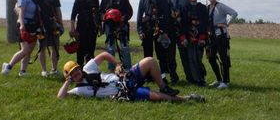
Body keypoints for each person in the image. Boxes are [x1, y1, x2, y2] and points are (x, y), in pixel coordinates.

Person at [57, 51, 205, 103]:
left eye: (76, 70)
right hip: (125, 92)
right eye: (73, 74)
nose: (76, 73)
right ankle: (187, 98)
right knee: (157, 97)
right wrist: (68, 82)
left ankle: (164, 86)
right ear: (70, 77)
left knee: (149, 61)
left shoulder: (88, 68)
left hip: (125, 77)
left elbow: (103, 55)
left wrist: (116, 64)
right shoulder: (79, 90)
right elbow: (61, 97)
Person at [1, 0, 40, 76]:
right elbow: (21, 13)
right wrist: (22, 25)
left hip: (33, 26)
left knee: (29, 50)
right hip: (24, 24)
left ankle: (23, 71)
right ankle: (8, 66)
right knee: (25, 49)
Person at [137, 0, 171, 83]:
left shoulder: (163, 0)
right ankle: (148, 75)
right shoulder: (143, 0)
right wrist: (140, 31)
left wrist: (165, 31)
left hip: (159, 29)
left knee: (161, 53)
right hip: (147, 29)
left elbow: (167, 17)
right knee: (147, 53)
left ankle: (163, 75)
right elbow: (139, 17)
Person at [205, 0, 238, 89]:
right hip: (211, 37)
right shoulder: (206, 8)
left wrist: (226, 23)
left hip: (221, 36)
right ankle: (218, 79)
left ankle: (225, 81)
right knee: (211, 58)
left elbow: (234, 13)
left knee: (224, 58)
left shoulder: (221, 6)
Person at [99, 0, 133, 71]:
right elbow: (100, 11)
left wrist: (123, 18)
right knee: (111, 48)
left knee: (125, 47)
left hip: (122, 25)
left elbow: (129, 11)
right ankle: (111, 70)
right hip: (109, 26)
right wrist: (104, 17)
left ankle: (128, 69)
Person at [33, 0, 64, 77]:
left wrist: (61, 23)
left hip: (53, 24)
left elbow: (58, 10)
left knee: (55, 47)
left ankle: (54, 69)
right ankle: (44, 70)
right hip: (40, 25)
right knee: (41, 47)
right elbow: (25, 1)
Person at [70, 0, 100, 67]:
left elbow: (98, 13)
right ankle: (80, 70)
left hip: (92, 28)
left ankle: (89, 69)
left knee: (91, 50)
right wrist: (72, 28)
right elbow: (73, 14)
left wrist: (99, 26)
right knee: (81, 50)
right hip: (81, 27)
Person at [164, 0, 188, 85]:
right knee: (170, 56)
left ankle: (190, 76)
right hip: (170, 32)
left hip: (182, 31)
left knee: (185, 55)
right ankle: (174, 77)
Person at [184, 0, 209, 86]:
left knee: (198, 58)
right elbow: (183, 24)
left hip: (200, 38)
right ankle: (195, 79)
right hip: (189, 38)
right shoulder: (185, 8)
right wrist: (184, 38)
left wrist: (203, 37)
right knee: (191, 59)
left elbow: (205, 23)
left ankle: (201, 78)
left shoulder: (202, 8)